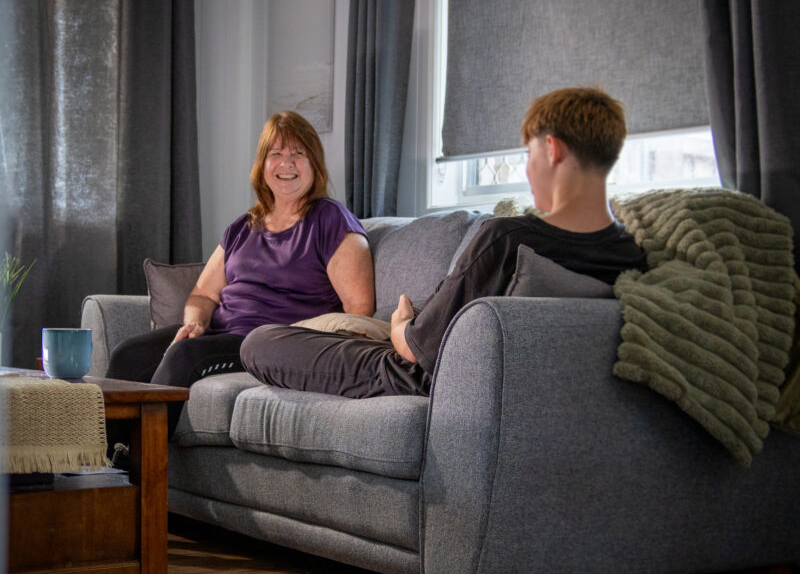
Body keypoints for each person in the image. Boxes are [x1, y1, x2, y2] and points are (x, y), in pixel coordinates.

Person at [239, 87, 648, 398]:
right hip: (472, 363)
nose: (528, 169)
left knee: (261, 342)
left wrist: (400, 325)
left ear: (552, 150)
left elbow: (416, 349)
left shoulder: (507, 237)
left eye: (528, 154)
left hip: (414, 373)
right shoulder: (631, 254)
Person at [106, 110, 374, 391]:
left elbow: (359, 311)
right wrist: (195, 324)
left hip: (267, 345)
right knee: (128, 354)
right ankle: (108, 438)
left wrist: (308, 352)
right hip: (219, 335)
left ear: (314, 164)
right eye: (276, 153)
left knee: (183, 356)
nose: (287, 163)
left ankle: (149, 437)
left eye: (298, 154)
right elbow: (203, 294)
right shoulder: (243, 227)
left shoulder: (331, 221)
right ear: (263, 165)